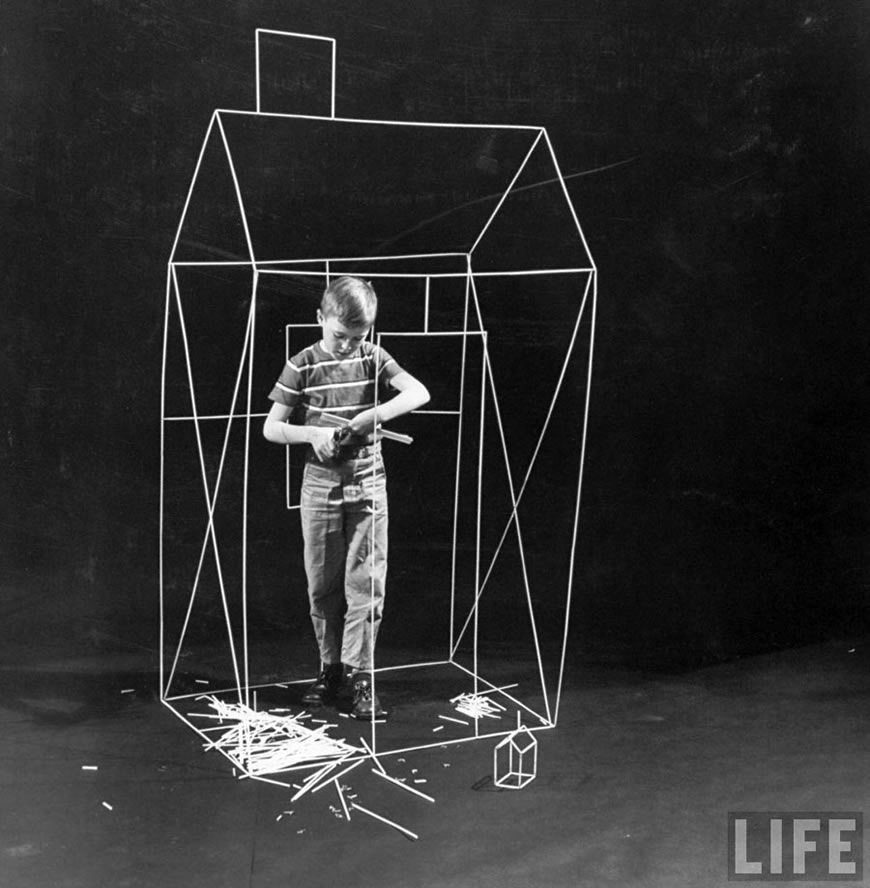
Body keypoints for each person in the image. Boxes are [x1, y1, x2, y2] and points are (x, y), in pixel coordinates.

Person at [263, 276, 430, 719]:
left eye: (359, 336)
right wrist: (313, 434)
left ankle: (361, 676)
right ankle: (330, 669)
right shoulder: (300, 365)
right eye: (340, 335)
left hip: (368, 479)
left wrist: (373, 415)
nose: (348, 345)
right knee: (322, 583)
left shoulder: (373, 357)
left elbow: (419, 392)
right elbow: (271, 426)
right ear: (320, 319)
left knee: (367, 583)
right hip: (320, 483)